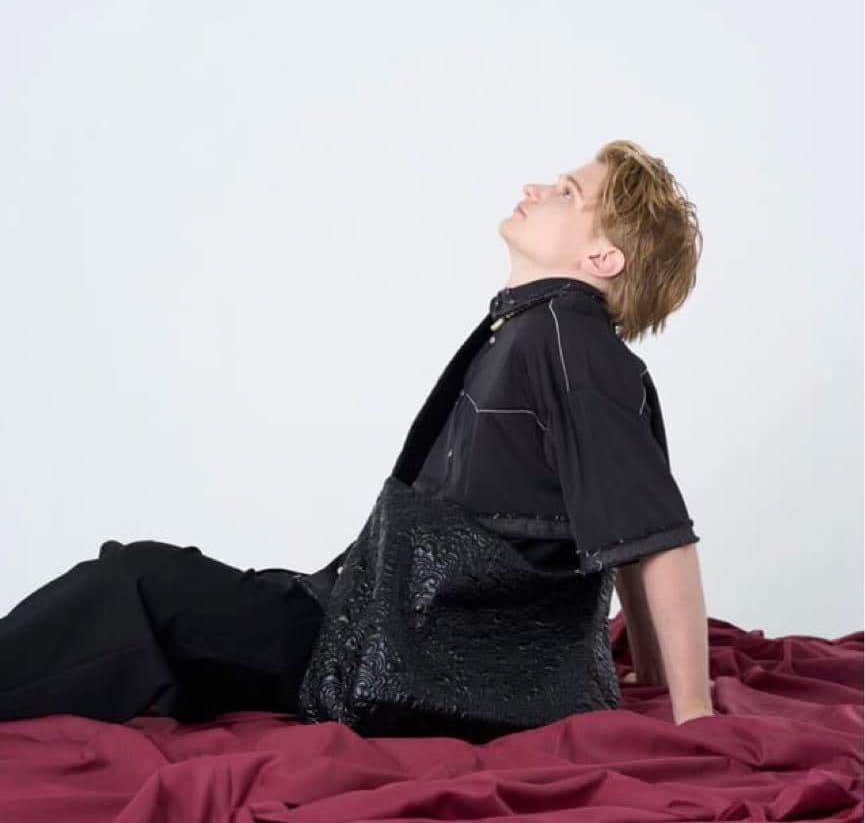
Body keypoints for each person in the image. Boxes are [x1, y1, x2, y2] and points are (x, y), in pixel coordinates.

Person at [0, 138, 712, 727]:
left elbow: (657, 537)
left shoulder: (566, 339)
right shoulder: (540, 331)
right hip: (375, 620)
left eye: (566, 192)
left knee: (136, 581)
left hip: (386, 648)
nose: (536, 187)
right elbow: (626, 532)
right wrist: (647, 674)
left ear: (602, 259)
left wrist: (695, 716)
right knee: (161, 586)